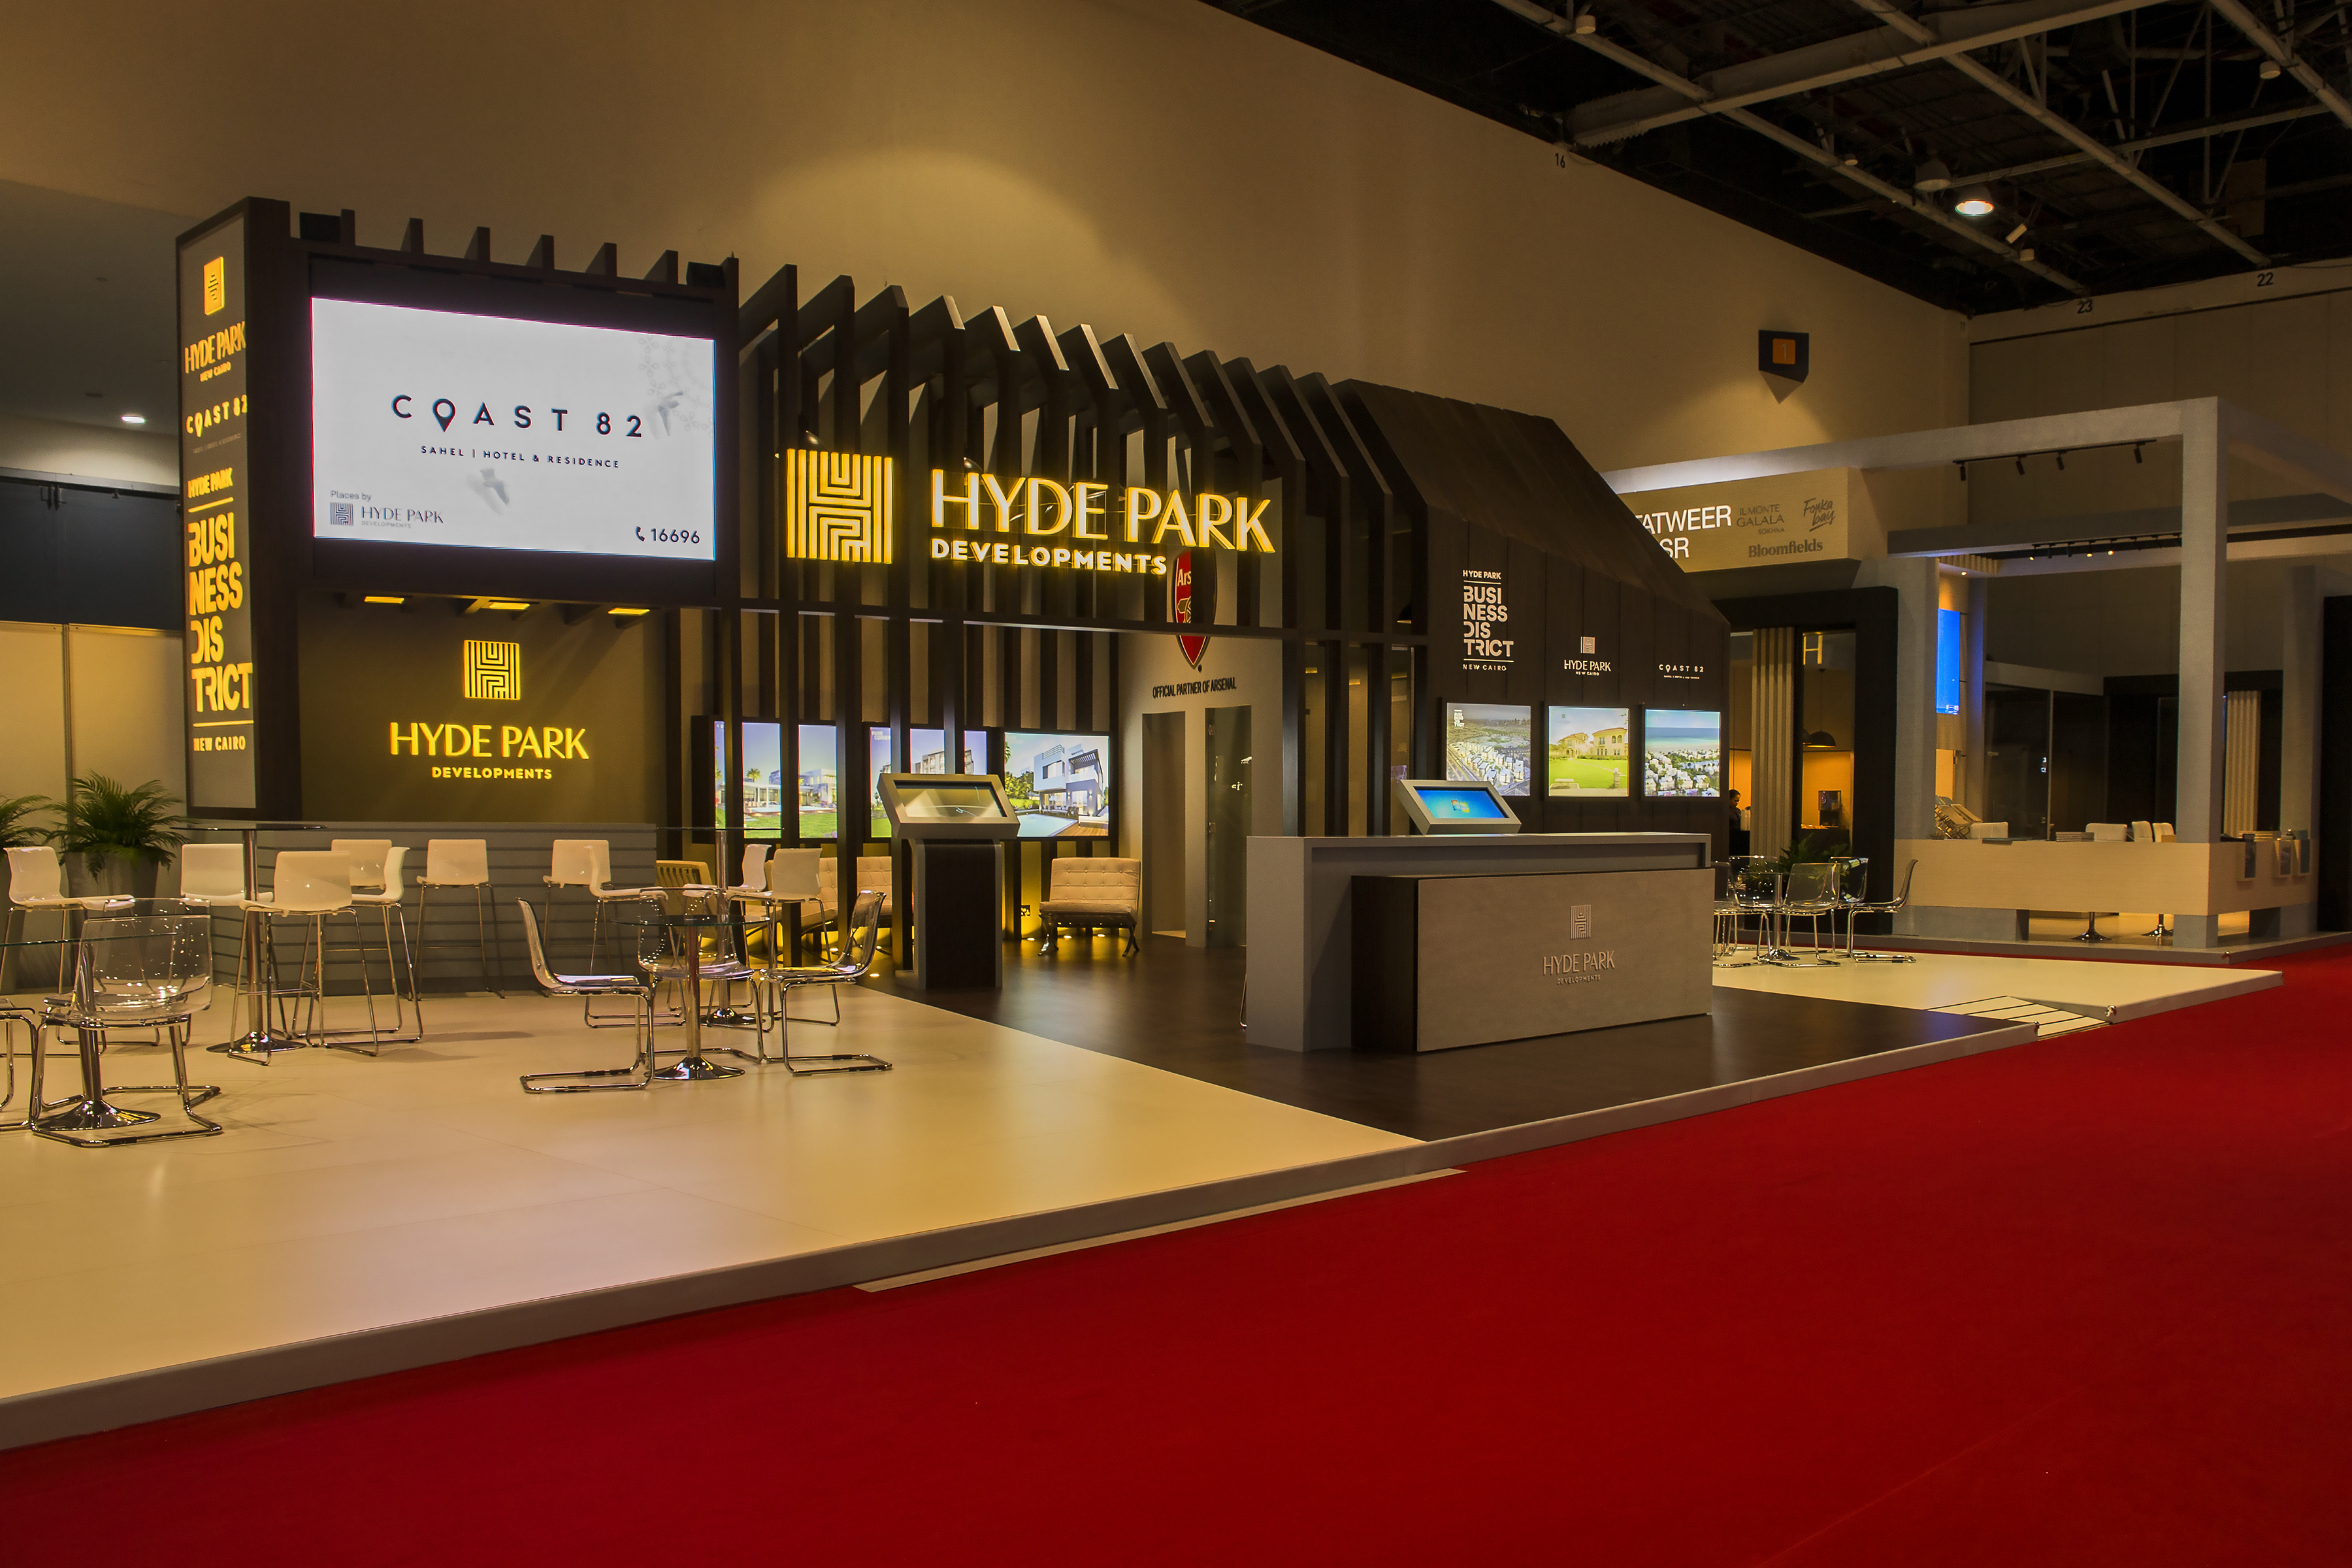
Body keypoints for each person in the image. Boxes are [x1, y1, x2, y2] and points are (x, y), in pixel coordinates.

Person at [1727, 788, 1750, 857]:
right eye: (1735, 801)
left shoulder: (1738, 810)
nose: (1737, 803)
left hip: (1739, 838)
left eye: (1738, 801)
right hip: (1731, 838)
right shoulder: (1726, 810)